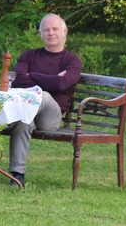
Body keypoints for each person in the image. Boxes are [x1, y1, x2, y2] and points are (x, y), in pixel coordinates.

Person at [8, 13, 82, 186]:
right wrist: (53, 79)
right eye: (46, 30)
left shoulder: (72, 61)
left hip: (51, 117)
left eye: (55, 29)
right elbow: (19, 80)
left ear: (65, 32)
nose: (51, 33)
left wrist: (32, 76)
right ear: (41, 34)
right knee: (23, 122)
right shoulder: (29, 55)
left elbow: (62, 84)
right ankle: (18, 175)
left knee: (42, 94)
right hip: (28, 111)